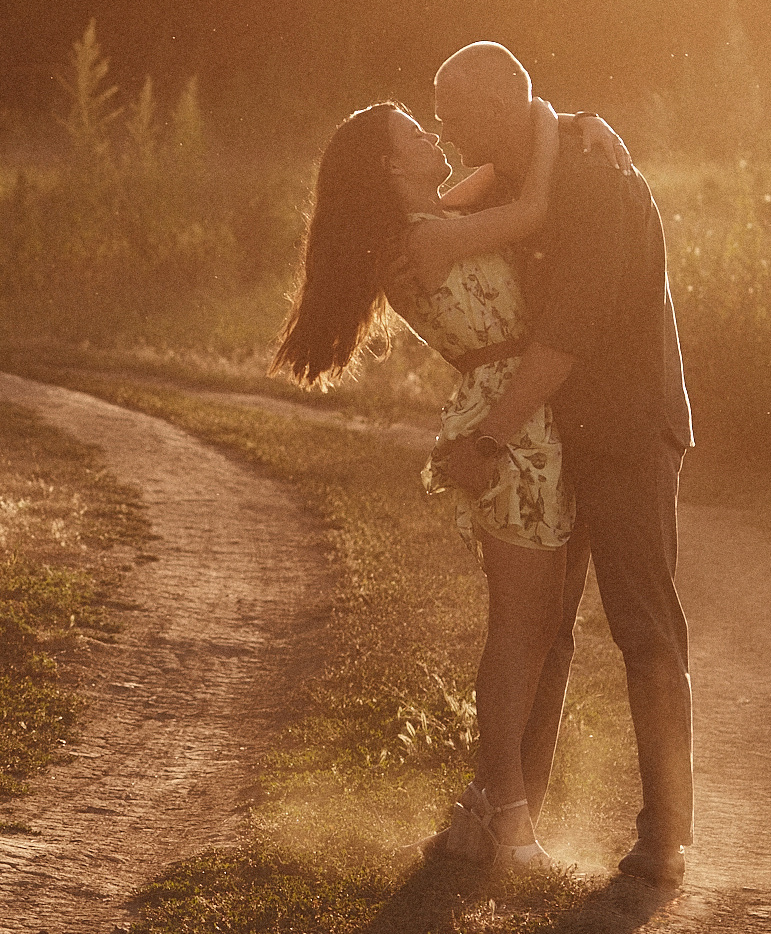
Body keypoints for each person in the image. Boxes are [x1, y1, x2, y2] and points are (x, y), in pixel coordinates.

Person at [270, 93, 631, 873]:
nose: (434, 135)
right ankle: (507, 820)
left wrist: (574, 128)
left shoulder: (430, 221)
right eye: (414, 132)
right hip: (513, 427)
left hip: (518, 418)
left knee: (528, 632)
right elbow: (531, 204)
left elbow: (503, 170)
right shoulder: (430, 238)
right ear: (390, 166)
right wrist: (541, 109)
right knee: (520, 633)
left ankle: (486, 809)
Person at [432, 42, 696, 889]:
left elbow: (563, 338)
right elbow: (434, 209)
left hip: (624, 428)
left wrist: (486, 439)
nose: (442, 127)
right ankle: (509, 813)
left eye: (453, 109)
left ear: (502, 106)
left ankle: (666, 836)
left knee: (644, 628)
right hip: (557, 432)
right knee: (539, 623)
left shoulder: (591, 178)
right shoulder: (521, 172)